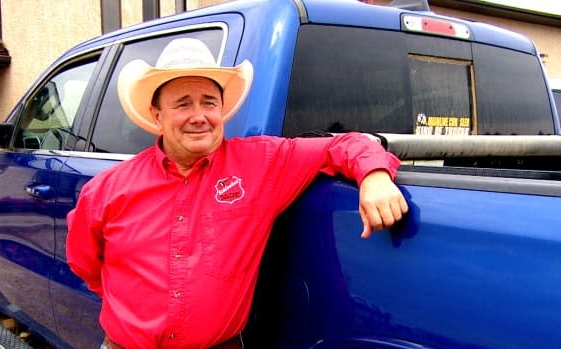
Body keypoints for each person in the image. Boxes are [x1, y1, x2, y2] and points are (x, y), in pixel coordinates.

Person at [66, 37, 408, 349]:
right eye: (183, 104)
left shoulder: (262, 163)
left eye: (209, 102)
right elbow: (87, 265)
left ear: (222, 110)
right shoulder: (107, 190)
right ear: (157, 115)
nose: (199, 116)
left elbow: (345, 144)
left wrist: (375, 176)